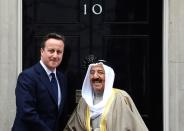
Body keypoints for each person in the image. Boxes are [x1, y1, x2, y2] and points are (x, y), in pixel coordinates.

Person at [64, 56, 148, 131]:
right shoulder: (84, 101)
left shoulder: (120, 97)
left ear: (108, 76)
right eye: (92, 72)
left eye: (100, 72)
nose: (95, 76)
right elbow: (72, 127)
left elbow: (135, 126)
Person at [12, 33, 68, 131]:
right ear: (42, 51)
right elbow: (26, 112)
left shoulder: (62, 78)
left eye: (59, 52)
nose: (55, 55)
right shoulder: (27, 77)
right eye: (51, 51)